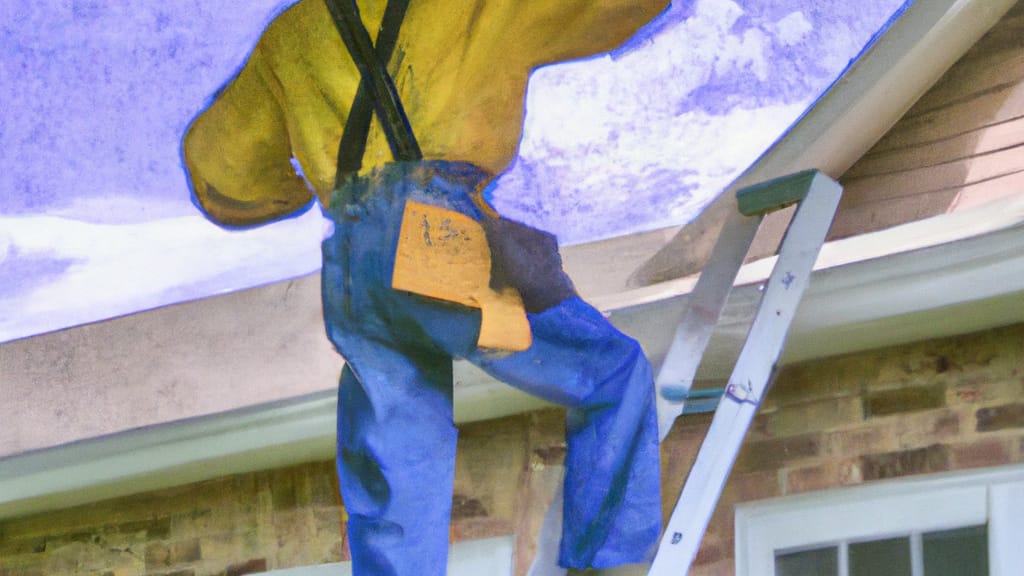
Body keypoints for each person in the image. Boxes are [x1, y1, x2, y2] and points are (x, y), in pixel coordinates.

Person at [182, 1, 667, 574]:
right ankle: (608, 560)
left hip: (354, 260)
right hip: (439, 236)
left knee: (396, 456)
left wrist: (294, 189)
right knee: (612, 371)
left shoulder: (292, 34)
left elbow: (221, 167)